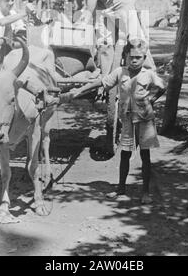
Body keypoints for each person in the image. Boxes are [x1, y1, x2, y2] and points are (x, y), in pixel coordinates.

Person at [68, 38, 166, 204]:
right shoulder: (120, 72)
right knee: (125, 154)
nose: (134, 60)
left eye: (138, 57)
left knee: (145, 155)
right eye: (131, 57)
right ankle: (121, 189)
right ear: (126, 56)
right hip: (127, 119)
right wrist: (79, 90)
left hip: (145, 120)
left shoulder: (148, 74)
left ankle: (146, 192)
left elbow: (163, 86)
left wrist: (152, 100)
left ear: (144, 58)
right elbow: (102, 82)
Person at [50, 0, 155, 73]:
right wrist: (73, 23)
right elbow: (80, 6)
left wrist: (84, 21)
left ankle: (151, 75)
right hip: (104, 4)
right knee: (105, 42)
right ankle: (108, 79)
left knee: (134, 37)